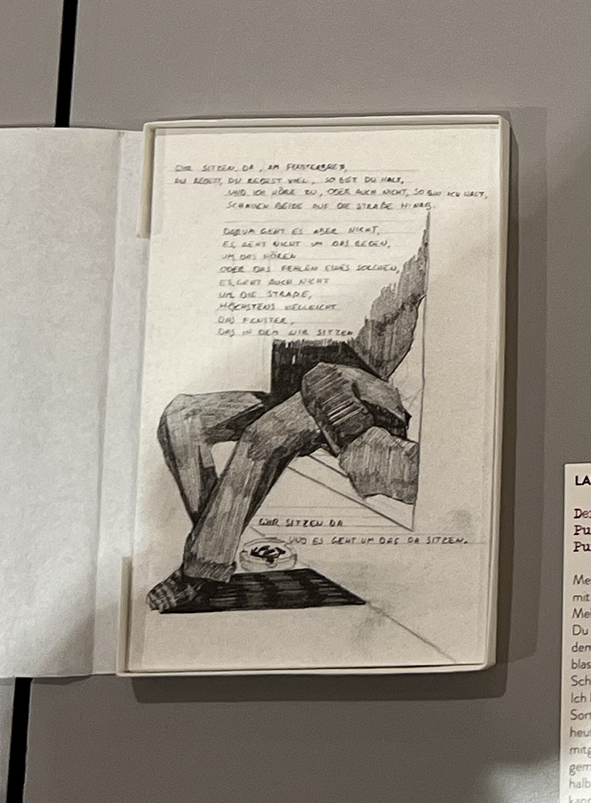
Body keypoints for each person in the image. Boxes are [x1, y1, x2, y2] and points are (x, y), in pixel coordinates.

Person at [145, 245, 425, 615]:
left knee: (262, 437)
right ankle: (214, 543)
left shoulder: (405, 253)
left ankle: (200, 571)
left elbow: (386, 333)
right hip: (296, 380)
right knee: (181, 417)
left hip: (352, 389)